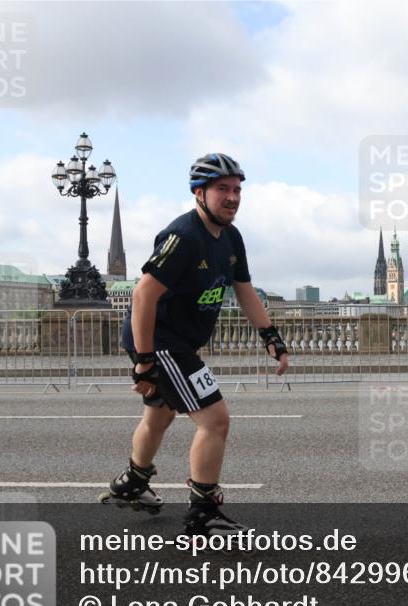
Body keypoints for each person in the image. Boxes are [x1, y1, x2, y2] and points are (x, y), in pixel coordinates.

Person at [100, 153, 289, 538]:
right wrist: (145, 362)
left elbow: (245, 291)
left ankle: (132, 482)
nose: (233, 197)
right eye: (223, 189)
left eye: (237, 190)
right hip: (162, 342)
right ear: (199, 193)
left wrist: (271, 336)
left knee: (160, 415)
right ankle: (203, 513)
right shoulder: (183, 237)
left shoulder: (231, 237)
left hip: (178, 341)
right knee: (215, 420)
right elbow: (142, 296)